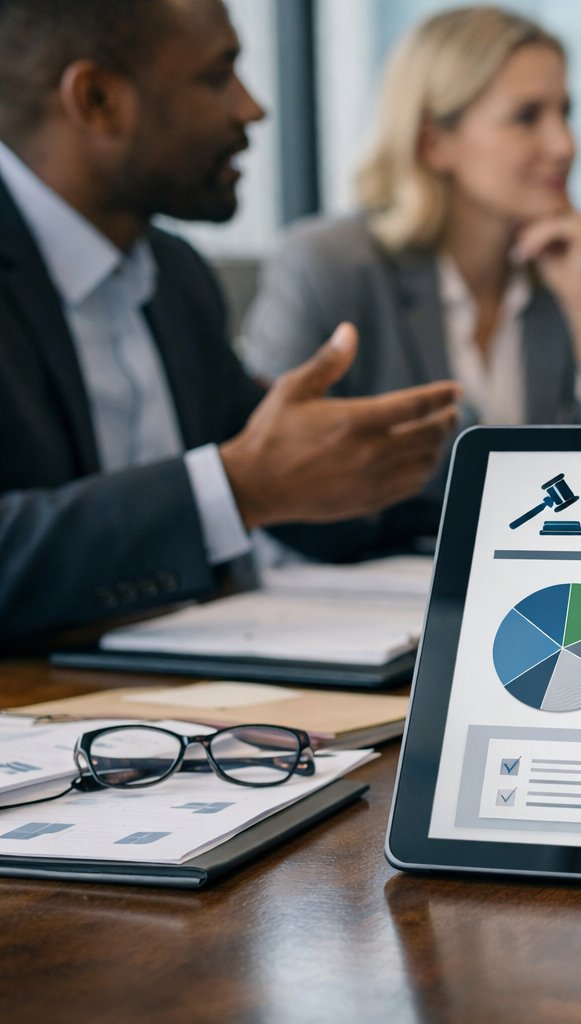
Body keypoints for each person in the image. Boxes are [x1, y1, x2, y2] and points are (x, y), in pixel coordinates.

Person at [0, 0, 461, 649]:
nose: (252, 109)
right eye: (218, 76)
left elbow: (294, 487)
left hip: (189, 701)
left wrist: (472, 512)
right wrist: (235, 488)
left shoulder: (174, 275)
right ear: (99, 99)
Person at [241, 6, 581, 427]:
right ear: (433, 142)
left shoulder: (580, 266)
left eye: (565, 113)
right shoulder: (327, 267)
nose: (563, 145)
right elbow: (276, 463)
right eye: (526, 117)